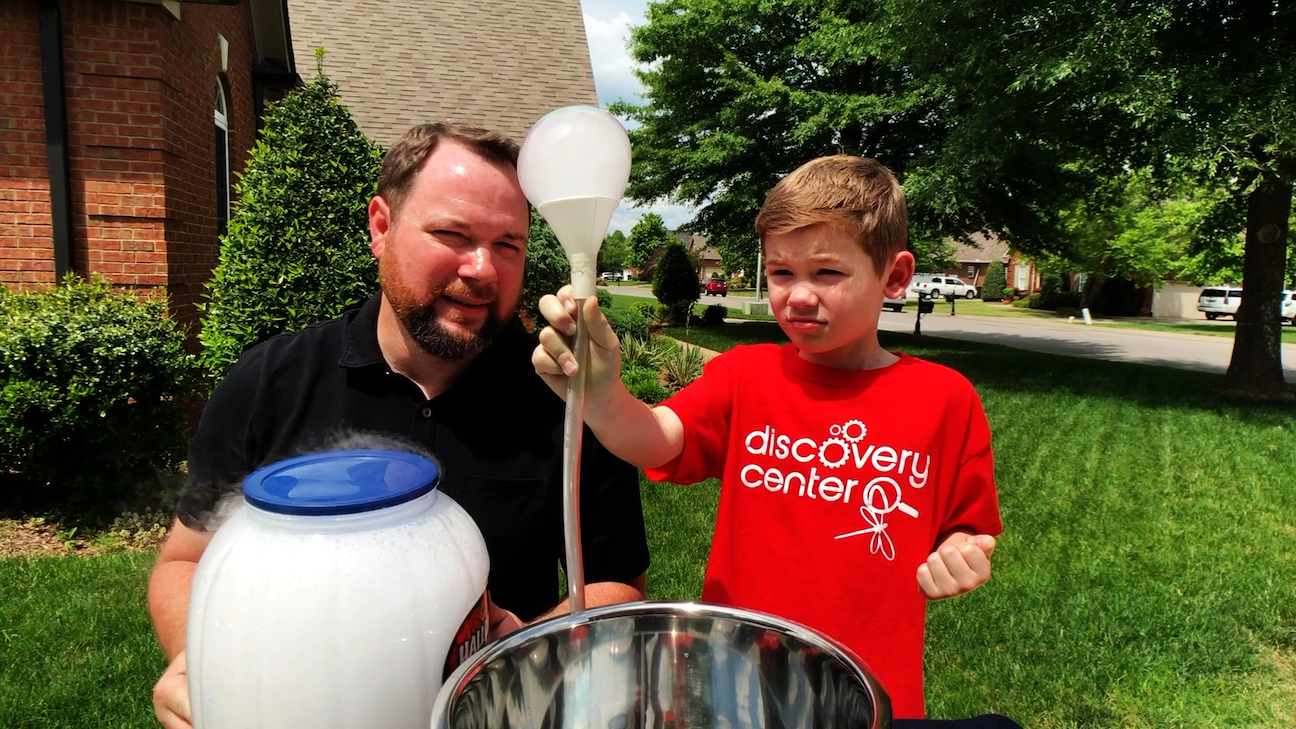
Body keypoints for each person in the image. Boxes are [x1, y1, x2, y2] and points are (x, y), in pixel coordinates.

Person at [148, 123, 650, 729]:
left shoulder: (567, 398)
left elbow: (618, 584)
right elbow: (185, 562)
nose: (483, 269)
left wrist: (514, 657)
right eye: (452, 234)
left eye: (508, 244)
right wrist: (195, 661)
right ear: (381, 227)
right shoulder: (271, 383)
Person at [533, 155, 1001, 719]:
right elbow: (657, 439)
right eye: (781, 273)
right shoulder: (747, 376)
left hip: (870, 686)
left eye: (827, 273)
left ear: (895, 276)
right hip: (735, 680)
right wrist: (604, 400)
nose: (798, 295)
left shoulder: (945, 399)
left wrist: (961, 553)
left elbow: (969, 527)